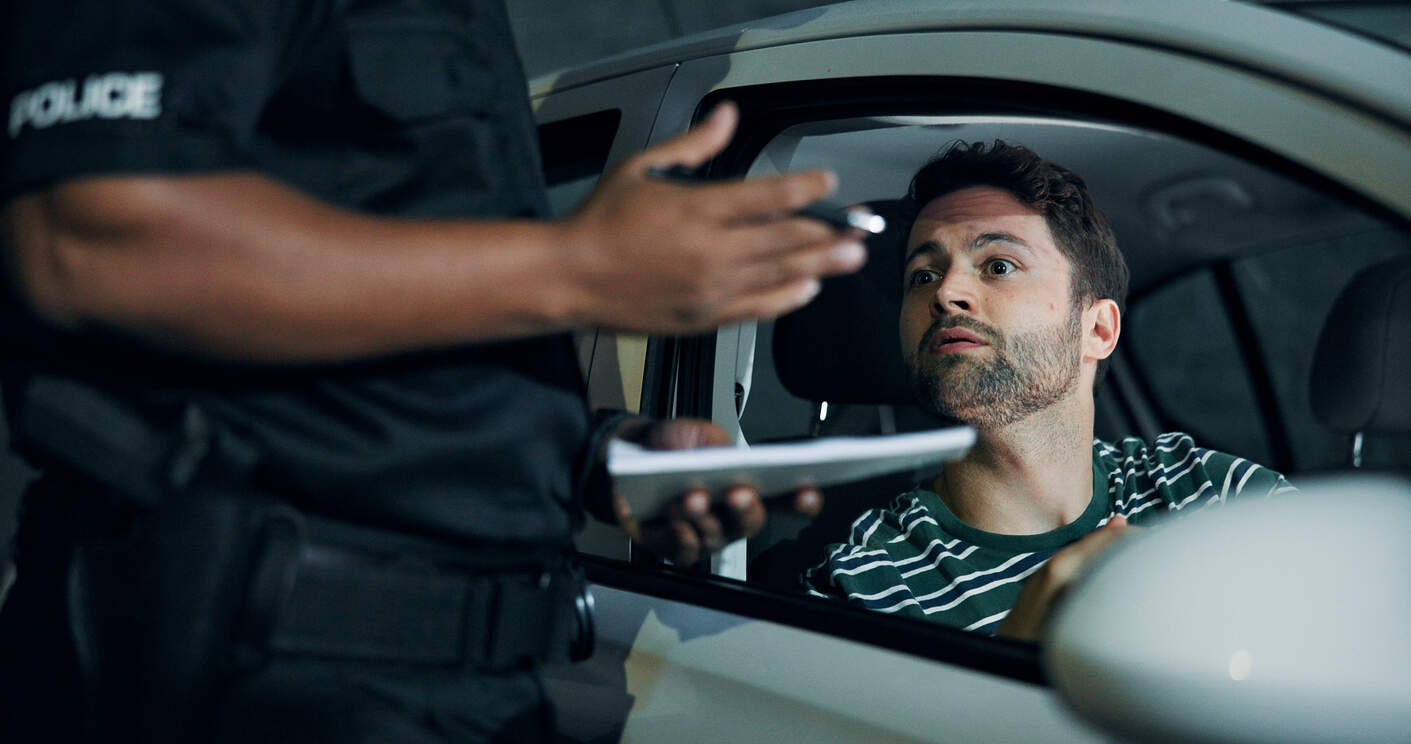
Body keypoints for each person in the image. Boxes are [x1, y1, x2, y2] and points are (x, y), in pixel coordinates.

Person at [0, 2, 861, 742]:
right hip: (257, 671)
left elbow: (408, 349)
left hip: (457, 683)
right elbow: (85, 241)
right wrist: (581, 265)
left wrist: (605, 460)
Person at [802, 141, 1295, 639]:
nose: (946, 293)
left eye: (998, 266)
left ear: (1097, 330)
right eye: (923, 276)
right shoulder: (861, 589)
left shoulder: (1211, 495)